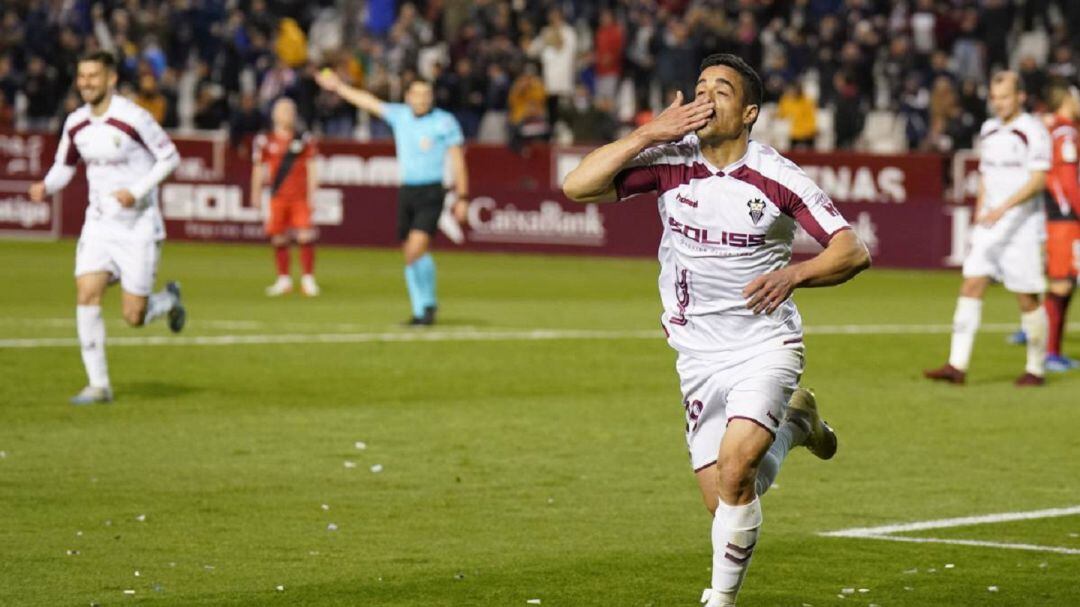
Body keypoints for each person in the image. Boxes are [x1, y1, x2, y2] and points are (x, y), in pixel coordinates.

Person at [562, 53, 871, 607]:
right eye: (700, 88)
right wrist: (649, 132)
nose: (705, 98)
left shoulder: (776, 177)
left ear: (749, 112)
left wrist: (796, 273)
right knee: (726, 498)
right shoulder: (669, 161)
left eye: (721, 91)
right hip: (697, 353)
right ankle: (798, 423)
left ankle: (719, 600)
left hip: (764, 344)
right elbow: (577, 187)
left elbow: (853, 250)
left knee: (735, 472)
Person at [27, 51, 185, 405]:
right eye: (82, 76)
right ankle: (98, 385)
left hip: (138, 226)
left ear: (111, 79)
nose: (86, 82)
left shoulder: (133, 118)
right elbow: (64, 166)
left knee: (134, 316)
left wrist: (137, 191)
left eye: (93, 76)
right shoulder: (75, 123)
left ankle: (168, 299)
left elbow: (170, 157)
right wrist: (45, 187)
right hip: (98, 224)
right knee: (86, 292)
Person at [924, 71, 1052, 386]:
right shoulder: (989, 129)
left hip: (1021, 226)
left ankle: (1036, 368)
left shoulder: (1033, 131)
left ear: (1021, 97)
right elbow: (986, 175)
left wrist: (1002, 208)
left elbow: (1038, 181)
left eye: (1005, 97)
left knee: (1027, 297)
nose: (999, 103)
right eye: (995, 98)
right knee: (971, 285)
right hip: (990, 225)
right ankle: (957, 366)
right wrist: (982, 209)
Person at [316, 69, 468, 326]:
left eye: (426, 94)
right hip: (407, 190)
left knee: (415, 248)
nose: (421, 99)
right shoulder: (400, 116)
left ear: (431, 97)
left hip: (432, 191)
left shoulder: (445, 122)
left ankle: (424, 309)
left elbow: (457, 160)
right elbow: (368, 101)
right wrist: (339, 88)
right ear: (408, 97)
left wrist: (462, 196)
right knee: (412, 252)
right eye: (417, 94)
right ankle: (425, 305)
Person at [252, 97, 320, 297]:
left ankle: (308, 279)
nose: (287, 115)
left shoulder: (304, 139)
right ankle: (284, 280)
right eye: (283, 111)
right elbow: (258, 168)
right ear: (274, 115)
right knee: (278, 238)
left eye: (291, 111)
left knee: (305, 235)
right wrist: (255, 193)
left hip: (299, 197)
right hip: (276, 197)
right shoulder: (265, 140)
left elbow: (312, 167)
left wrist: (313, 194)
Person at [1041, 80, 1080, 370]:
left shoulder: (1056, 130)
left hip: (1061, 218)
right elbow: (1068, 182)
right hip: (1065, 219)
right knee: (1062, 284)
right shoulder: (1066, 133)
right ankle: (1048, 352)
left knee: (1065, 284)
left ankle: (1053, 350)